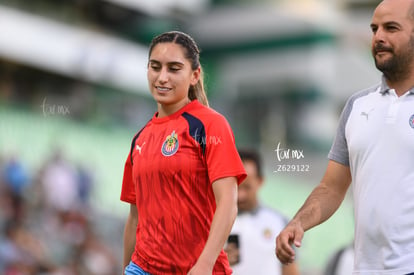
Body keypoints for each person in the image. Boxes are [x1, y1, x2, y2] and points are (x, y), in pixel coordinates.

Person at [275, 0, 414, 274]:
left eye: (391, 28)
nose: (379, 37)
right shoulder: (357, 105)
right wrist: (298, 223)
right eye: (375, 29)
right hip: (364, 268)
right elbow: (331, 188)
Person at [120, 30, 247, 275]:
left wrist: (205, 264)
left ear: (194, 75)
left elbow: (228, 203)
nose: (162, 77)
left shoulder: (210, 125)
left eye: (174, 68)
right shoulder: (140, 138)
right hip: (142, 269)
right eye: (155, 67)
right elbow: (134, 219)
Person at [224, 149, 299, 275]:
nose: (240, 195)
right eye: (236, 186)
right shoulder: (210, 223)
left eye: (247, 187)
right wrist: (217, 264)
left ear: (260, 181)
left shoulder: (279, 222)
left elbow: (290, 270)